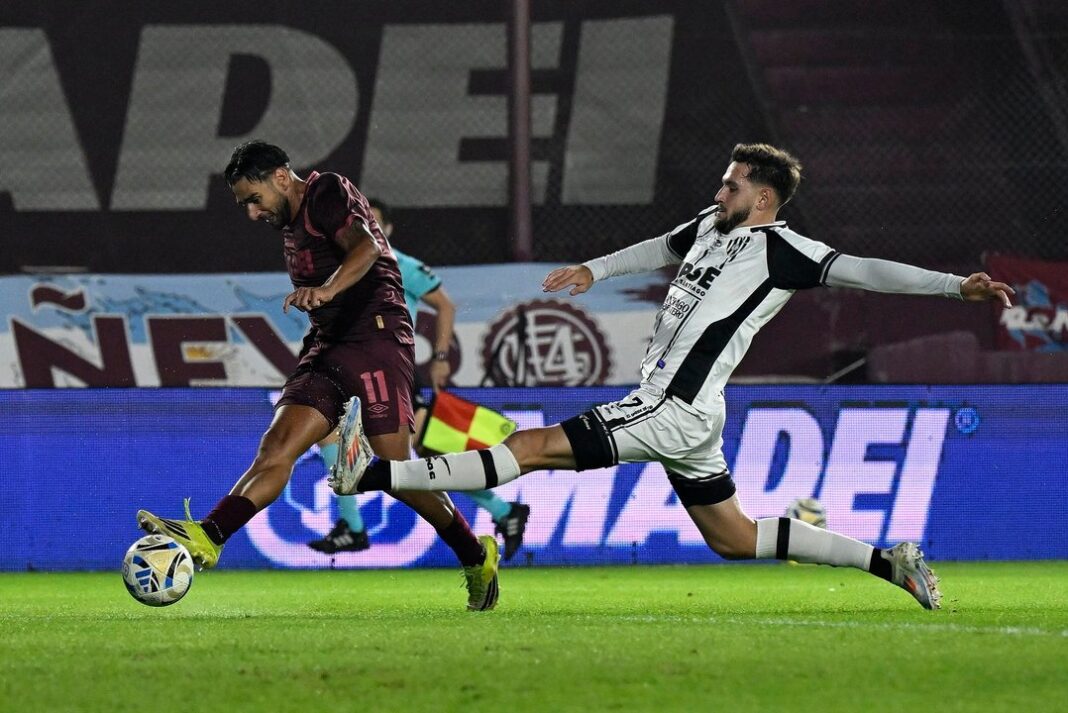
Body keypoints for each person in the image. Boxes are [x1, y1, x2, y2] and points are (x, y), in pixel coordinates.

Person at [329, 142, 1016, 611]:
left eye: (732, 184)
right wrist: (595, 270)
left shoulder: (782, 249)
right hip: (691, 413)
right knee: (734, 538)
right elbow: (661, 246)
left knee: (531, 448)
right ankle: (889, 562)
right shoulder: (711, 227)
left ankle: (376, 473)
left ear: (765, 197)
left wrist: (956, 286)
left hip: (670, 406)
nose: (720, 191)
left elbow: (864, 270)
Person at [136, 141, 500, 611]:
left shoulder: (325, 190)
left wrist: (326, 289)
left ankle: (476, 555)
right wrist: (323, 301)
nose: (252, 213)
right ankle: (210, 534)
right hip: (327, 346)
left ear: (281, 177)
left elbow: (367, 247)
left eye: (254, 199)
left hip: (376, 339)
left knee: (398, 472)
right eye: (244, 204)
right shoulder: (290, 225)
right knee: (276, 448)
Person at [307, 199, 531, 560]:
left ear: (387, 229)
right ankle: (503, 513)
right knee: (362, 443)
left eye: (374, 222)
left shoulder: (400, 264)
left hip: (391, 371)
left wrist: (440, 358)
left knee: (411, 460)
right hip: (356, 369)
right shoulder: (340, 268)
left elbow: (445, 305)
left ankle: (500, 513)